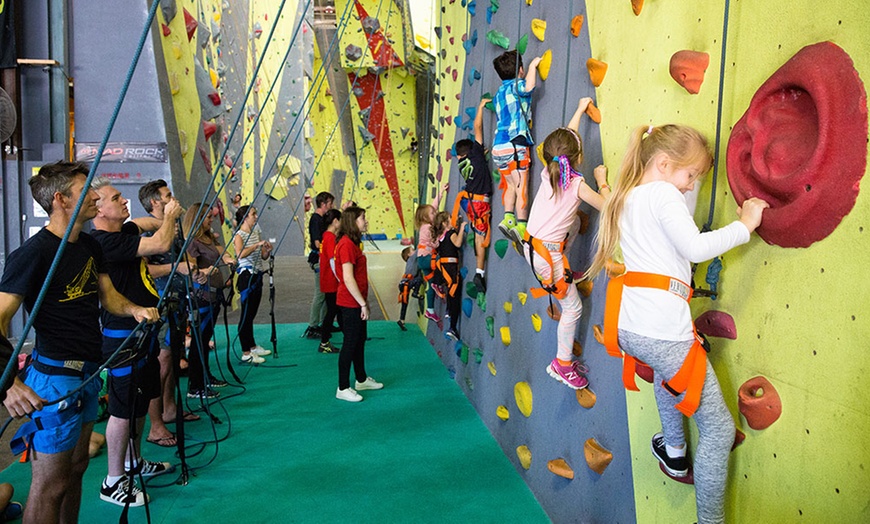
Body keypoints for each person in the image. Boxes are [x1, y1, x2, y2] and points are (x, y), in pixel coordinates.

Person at [589, 124, 769, 524]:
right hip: (661, 332)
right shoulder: (664, 195)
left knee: (673, 376)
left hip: (632, 327)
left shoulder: (632, 196)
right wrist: (746, 224)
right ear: (664, 163)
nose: (691, 187)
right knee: (719, 431)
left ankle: (674, 451)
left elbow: (679, 223)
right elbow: (694, 247)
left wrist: (692, 178)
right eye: (691, 177)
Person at [0, 161, 158, 522]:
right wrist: (9, 383)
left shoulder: (88, 244)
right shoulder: (33, 253)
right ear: (61, 200)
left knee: (76, 470)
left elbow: (108, 296)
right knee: (50, 484)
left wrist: (134, 309)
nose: (95, 196)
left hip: (87, 373)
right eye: (85, 191)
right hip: (54, 380)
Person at [91, 179, 179, 505]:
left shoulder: (121, 234)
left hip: (143, 331)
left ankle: (132, 461)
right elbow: (159, 243)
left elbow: (141, 224)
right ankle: (113, 480)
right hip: (122, 335)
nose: (124, 201)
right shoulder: (103, 242)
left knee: (140, 401)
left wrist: (162, 214)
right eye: (116, 198)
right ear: (98, 209)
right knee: (122, 409)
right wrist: (169, 214)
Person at [521, 98, 610, 390]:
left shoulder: (551, 173)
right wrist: (603, 179)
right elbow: (608, 206)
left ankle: (564, 261)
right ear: (580, 158)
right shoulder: (578, 186)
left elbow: (566, 139)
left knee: (571, 222)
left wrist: (579, 108)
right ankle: (562, 363)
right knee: (573, 309)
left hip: (533, 246)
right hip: (549, 259)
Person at [137, 180, 200, 434]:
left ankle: (170, 407)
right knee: (161, 362)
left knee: (173, 358)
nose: (172, 199)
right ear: (155, 202)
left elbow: (181, 259)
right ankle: (155, 425)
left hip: (176, 300)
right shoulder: (147, 234)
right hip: (158, 302)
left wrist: (193, 267)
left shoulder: (172, 230)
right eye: (167, 195)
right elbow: (144, 270)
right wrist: (177, 268)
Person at [182, 203, 236, 400]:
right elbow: (190, 268)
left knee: (204, 341)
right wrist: (202, 273)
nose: (211, 221)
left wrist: (228, 258)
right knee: (198, 341)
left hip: (213, 296)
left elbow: (220, 249)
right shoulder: (192, 242)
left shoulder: (206, 238)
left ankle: (205, 377)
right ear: (198, 218)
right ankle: (195, 385)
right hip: (202, 298)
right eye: (208, 218)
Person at [491, 49, 542, 246]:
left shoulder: (498, 94)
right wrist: (533, 66)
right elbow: (529, 87)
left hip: (499, 146)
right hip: (516, 143)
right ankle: (521, 224)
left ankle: (508, 218)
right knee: (522, 184)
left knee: (511, 183)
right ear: (519, 70)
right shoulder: (516, 86)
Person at [334, 206, 382, 402]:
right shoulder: (345, 245)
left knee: (359, 340)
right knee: (350, 344)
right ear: (353, 221)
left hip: (356, 302)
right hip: (348, 304)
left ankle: (361, 379)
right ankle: (343, 387)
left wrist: (364, 302)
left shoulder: (353, 244)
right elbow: (347, 278)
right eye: (362, 218)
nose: (365, 221)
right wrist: (362, 303)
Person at [452, 97, 493, 293]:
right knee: (480, 238)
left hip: (469, 202)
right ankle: (479, 273)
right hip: (479, 204)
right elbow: (478, 127)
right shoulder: (475, 152)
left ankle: (479, 272)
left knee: (479, 236)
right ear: (471, 150)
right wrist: (480, 106)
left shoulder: (463, 163)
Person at [233, 205, 273, 364]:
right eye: (253, 214)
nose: (256, 217)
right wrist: (256, 245)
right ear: (245, 217)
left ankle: (253, 346)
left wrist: (267, 250)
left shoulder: (255, 232)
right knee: (246, 314)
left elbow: (262, 257)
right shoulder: (239, 235)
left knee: (252, 312)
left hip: (257, 275)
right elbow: (240, 254)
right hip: (246, 277)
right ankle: (245, 351)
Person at [414, 183, 448, 324]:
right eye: (432, 214)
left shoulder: (426, 224)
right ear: (426, 217)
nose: (435, 213)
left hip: (423, 260)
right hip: (425, 258)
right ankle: (439, 283)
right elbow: (433, 243)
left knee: (431, 285)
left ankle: (430, 310)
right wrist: (443, 235)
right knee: (442, 260)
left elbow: (433, 207)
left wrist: (441, 192)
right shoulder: (427, 227)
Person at [303, 192, 335, 340]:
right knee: (320, 293)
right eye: (330, 204)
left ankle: (324, 322)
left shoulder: (320, 219)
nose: (331, 206)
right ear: (324, 204)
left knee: (326, 291)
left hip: (322, 258)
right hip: (319, 259)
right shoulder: (316, 220)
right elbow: (317, 242)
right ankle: (313, 325)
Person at [432, 212, 465, 341]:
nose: (454, 220)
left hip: (443, 269)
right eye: (451, 219)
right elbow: (457, 243)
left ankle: (448, 311)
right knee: (454, 296)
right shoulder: (451, 234)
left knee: (450, 292)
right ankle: (452, 327)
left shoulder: (441, 237)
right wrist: (461, 228)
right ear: (446, 223)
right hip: (450, 269)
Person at [317, 209, 342, 353]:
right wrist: (341, 279)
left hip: (329, 280)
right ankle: (324, 342)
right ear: (335, 221)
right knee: (332, 312)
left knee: (335, 311)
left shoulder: (326, 236)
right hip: (332, 282)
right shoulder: (330, 237)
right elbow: (333, 261)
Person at [396, 246, 422, 331]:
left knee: (405, 304)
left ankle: (401, 320)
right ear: (409, 254)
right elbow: (419, 250)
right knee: (419, 279)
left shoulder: (410, 261)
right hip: (407, 283)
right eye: (412, 250)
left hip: (403, 284)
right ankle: (415, 292)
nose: (414, 251)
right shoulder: (412, 258)